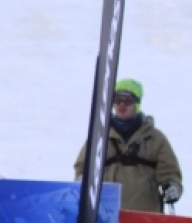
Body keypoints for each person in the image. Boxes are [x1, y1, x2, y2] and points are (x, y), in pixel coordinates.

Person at [74, 78, 183, 213]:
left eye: (127, 101)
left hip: (145, 218)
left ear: (137, 103)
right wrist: (81, 181)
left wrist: (172, 188)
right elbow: (82, 168)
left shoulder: (155, 138)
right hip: (105, 217)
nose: (121, 105)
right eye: (117, 100)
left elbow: (170, 172)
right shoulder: (100, 137)